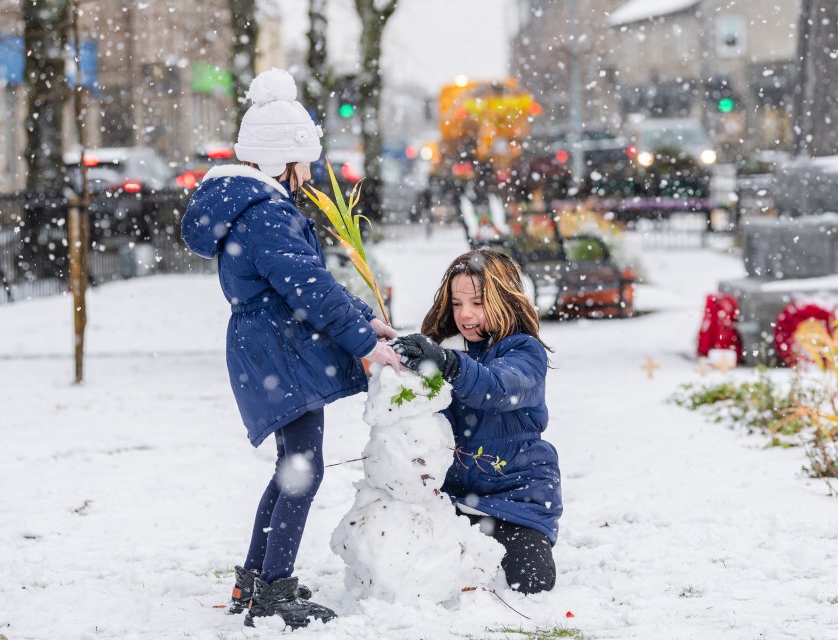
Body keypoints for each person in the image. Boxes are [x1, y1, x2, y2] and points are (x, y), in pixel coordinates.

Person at [180, 68, 401, 629]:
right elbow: (310, 291)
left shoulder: (254, 206)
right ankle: (273, 589)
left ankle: (255, 580)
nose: (308, 176)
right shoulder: (266, 213)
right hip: (278, 349)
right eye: (304, 162)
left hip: (271, 346)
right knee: (302, 468)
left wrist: (364, 322)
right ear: (282, 158)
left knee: (293, 466)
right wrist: (364, 344)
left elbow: (312, 282)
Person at [392, 248, 562, 594]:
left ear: (505, 300)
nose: (465, 314)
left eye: (478, 302)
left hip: (518, 498)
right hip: (456, 498)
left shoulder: (524, 352)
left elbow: (496, 388)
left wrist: (450, 364)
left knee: (531, 581)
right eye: (456, 304)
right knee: (413, 568)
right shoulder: (444, 349)